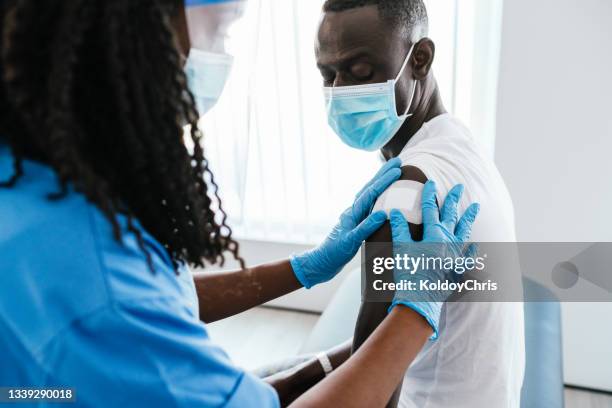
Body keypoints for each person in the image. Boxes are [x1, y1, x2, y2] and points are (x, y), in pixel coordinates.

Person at [0, 1, 480, 407]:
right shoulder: (101, 298)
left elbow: (164, 295)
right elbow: (125, 309)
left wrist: (304, 268)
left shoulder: (33, 178)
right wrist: (416, 313)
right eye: (223, 31)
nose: (221, 56)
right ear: (131, 30)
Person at [315, 0, 525, 407]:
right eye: (327, 74)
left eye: (360, 72)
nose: (340, 93)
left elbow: (366, 397)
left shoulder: (406, 198)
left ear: (420, 59)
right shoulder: (459, 142)